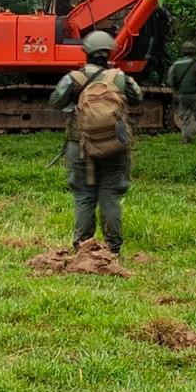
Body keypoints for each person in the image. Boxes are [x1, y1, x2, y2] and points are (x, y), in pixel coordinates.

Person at [49, 30, 144, 255]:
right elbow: (138, 98)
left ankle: (83, 246)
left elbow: (56, 101)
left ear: (86, 53)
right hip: (114, 144)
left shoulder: (73, 78)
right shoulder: (120, 78)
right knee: (110, 194)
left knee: (83, 195)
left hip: (80, 145)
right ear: (110, 52)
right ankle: (113, 248)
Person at [168, 41, 196, 143]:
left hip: (182, 95)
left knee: (184, 117)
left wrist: (176, 90)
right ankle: (189, 134)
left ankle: (185, 136)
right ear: (194, 52)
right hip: (194, 95)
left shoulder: (176, 64)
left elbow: (171, 79)